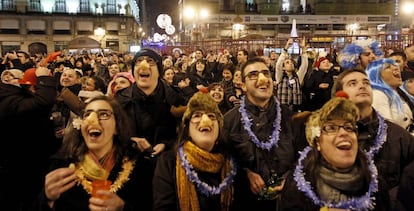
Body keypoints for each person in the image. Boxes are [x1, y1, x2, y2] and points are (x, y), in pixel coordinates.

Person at [34, 96, 153, 210]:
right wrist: (47, 199)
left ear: (117, 127)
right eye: (87, 114)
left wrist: (124, 208)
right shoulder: (61, 165)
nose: (93, 120)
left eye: (104, 114)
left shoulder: (139, 167)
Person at [280, 93, 391, 210]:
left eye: (349, 127)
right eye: (331, 128)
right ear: (317, 143)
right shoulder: (297, 186)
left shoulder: (376, 184)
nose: (343, 133)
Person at [115, 48, 187, 210]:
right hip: (129, 172)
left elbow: (187, 134)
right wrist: (131, 141)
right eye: (138, 62)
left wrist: (167, 145)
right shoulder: (120, 99)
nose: (144, 65)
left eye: (150, 62)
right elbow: (111, 134)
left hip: (168, 172)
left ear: (159, 70)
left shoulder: (176, 98)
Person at [331, 69, 414, 210]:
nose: (362, 86)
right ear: (340, 95)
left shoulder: (397, 135)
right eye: (353, 83)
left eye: (366, 83)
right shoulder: (327, 135)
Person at [223, 57, 298, 210]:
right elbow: (223, 161)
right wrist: (246, 174)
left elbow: (304, 158)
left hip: (286, 202)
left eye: (266, 73)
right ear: (243, 85)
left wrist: (290, 180)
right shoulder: (229, 122)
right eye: (253, 75)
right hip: (246, 203)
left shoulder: (291, 118)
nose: (262, 79)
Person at [153, 90, 237, 211]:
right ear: (187, 128)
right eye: (197, 115)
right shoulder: (169, 162)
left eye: (211, 116)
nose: (205, 120)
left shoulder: (231, 163)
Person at [0, 66, 58, 211]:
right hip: (19, 164)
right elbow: (42, 101)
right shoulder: (8, 100)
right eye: (31, 86)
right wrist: (44, 79)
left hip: (27, 160)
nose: (33, 89)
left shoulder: (15, 96)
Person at [366, 58, 413, 131]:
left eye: (394, 65)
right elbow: (385, 129)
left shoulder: (398, 93)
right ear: (376, 75)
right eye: (388, 67)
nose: (396, 68)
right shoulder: (378, 94)